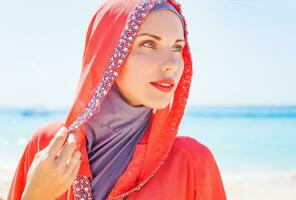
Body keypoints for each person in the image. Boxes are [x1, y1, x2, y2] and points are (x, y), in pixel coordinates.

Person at [8, 0, 227, 199]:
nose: (172, 63)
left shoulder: (191, 163)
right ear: (109, 51)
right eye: (149, 44)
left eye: (177, 47)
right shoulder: (47, 146)